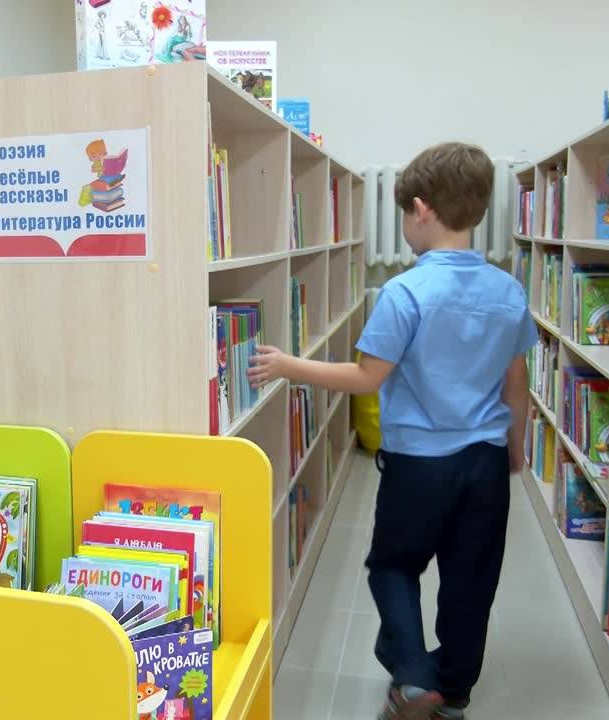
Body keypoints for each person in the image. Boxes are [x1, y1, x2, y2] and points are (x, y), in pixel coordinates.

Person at [248, 142, 534, 720]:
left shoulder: (406, 292)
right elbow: (516, 384)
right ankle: (454, 692)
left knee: (394, 565)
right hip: (484, 464)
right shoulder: (508, 290)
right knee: (471, 581)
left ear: (421, 209)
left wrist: (287, 366)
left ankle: (412, 677)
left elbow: (365, 377)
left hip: (419, 466)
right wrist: (515, 450)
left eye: (405, 213)